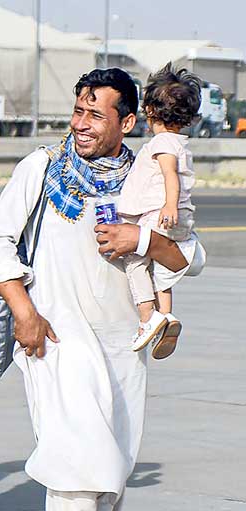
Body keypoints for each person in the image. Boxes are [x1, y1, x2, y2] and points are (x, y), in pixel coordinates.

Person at [0, 68, 205, 511]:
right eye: (78, 110)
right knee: (79, 478)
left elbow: (189, 257)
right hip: (56, 344)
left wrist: (140, 239)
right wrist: (24, 312)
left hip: (124, 352)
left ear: (127, 123)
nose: (81, 122)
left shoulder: (147, 178)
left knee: (110, 485)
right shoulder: (41, 168)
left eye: (95, 114)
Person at [118, 64, 201, 357]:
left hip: (160, 213)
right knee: (160, 270)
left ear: (151, 110)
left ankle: (147, 318)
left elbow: (169, 176)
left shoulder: (162, 143)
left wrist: (168, 204)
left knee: (135, 260)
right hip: (178, 218)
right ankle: (167, 317)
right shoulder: (180, 142)